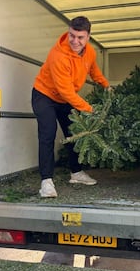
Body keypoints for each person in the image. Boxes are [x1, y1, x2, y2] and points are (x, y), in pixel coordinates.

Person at [32, 16, 111, 198]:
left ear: (88, 37)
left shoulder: (89, 51)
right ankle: (46, 182)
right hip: (44, 95)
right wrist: (90, 109)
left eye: (80, 37)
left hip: (64, 98)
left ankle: (76, 173)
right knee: (48, 133)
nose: (75, 41)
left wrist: (105, 85)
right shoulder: (58, 55)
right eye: (72, 36)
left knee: (74, 133)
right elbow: (67, 92)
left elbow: (93, 69)